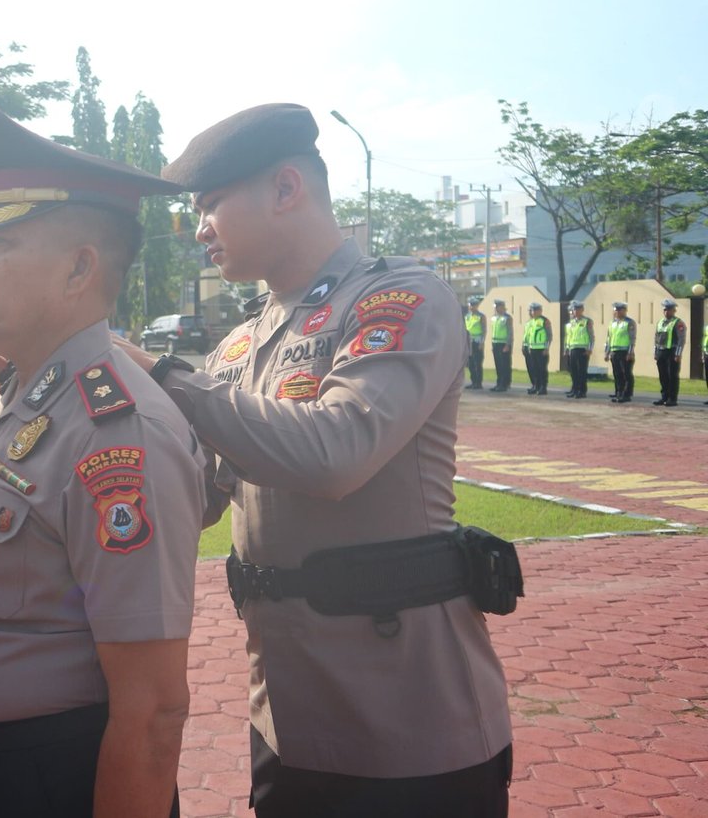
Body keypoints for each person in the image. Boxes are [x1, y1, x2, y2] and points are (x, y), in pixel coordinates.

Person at [118, 104, 514, 816]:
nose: (198, 227)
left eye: (210, 205)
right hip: (288, 717)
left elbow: (338, 452)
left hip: (411, 719)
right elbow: (201, 495)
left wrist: (165, 376)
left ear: (286, 188)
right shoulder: (237, 347)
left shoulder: (398, 298)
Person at [0, 106, 203, 818]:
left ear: (79, 267)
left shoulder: (115, 431)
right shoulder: (24, 394)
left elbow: (155, 709)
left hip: (53, 778)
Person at [653, 298, 686, 407]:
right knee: (663, 376)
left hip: (672, 352)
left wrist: (678, 354)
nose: (667, 312)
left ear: (674, 311)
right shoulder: (660, 322)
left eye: (669, 310)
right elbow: (656, 338)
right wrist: (655, 352)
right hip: (661, 352)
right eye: (665, 310)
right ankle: (664, 397)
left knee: (672, 376)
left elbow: (681, 340)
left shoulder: (678, 322)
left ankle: (672, 398)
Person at [606, 302, 637, 403]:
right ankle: (619, 393)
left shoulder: (629, 322)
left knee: (626, 374)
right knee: (617, 374)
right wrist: (607, 352)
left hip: (625, 352)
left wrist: (630, 352)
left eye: (619, 310)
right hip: (615, 351)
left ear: (624, 311)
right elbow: (609, 338)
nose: (617, 312)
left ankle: (627, 394)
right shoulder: (612, 323)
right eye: (615, 310)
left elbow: (632, 339)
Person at [563, 300, 595, 399]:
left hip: (583, 349)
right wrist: (566, 349)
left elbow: (591, 337)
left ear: (582, 310)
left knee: (581, 371)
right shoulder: (572, 322)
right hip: (573, 348)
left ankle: (582, 391)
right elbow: (568, 337)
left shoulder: (586, 321)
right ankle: (575, 389)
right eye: (574, 309)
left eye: (577, 309)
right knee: (573, 371)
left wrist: (589, 349)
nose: (575, 311)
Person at [521, 302, 551, 395]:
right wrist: (524, 346)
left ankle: (543, 387)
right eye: (531, 310)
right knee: (534, 369)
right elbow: (527, 336)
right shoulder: (530, 322)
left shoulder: (544, 321)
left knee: (542, 369)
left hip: (541, 349)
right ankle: (536, 386)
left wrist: (546, 348)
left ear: (539, 311)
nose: (532, 312)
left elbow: (549, 335)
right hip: (532, 348)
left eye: (534, 310)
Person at [488, 299, 512, 391]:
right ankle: (498, 383)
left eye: (498, 307)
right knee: (498, 365)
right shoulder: (494, 318)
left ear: (502, 307)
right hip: (495, 343)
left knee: (504, 365)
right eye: (496, 307)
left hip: (503, 344)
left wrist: (507, 345)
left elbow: (510, 332)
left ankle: (504, 384)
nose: (496, 309)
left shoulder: (507, 318)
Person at [463, 295, 486, 389]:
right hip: (469, 342)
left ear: (477, 306)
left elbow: (484, 330)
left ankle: (478, 383)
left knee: (477, 362)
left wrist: (482, 342)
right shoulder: (467, 316)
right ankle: (473, 382)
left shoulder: (480, 316)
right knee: (471, 363)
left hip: (477, 341)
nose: (471, 307)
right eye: (470, 305)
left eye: (474, 305)